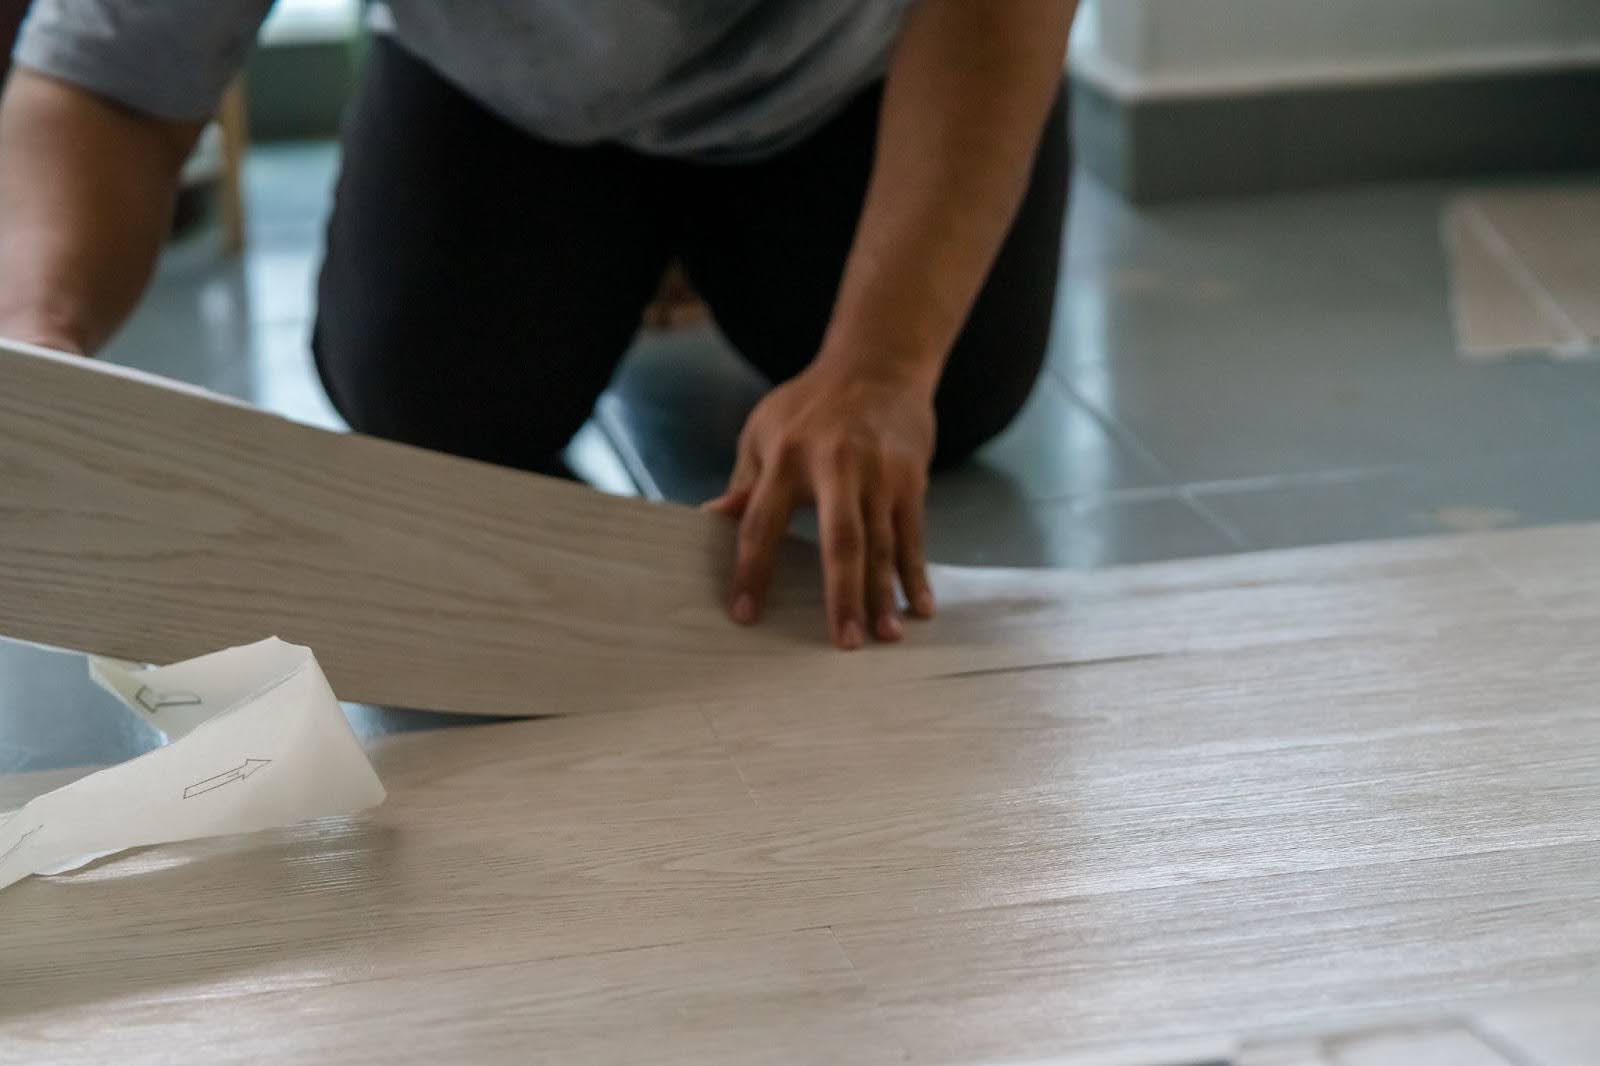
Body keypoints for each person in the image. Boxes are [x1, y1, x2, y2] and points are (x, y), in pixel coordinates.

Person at [0, 0, 1077, 649]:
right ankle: (641, 251)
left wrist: (881, 360)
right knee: (425, 398)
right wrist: (32, 346)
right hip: (508, 92)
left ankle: (702, 264)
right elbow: (109, 85)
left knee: (959, 385)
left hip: (844, 85)